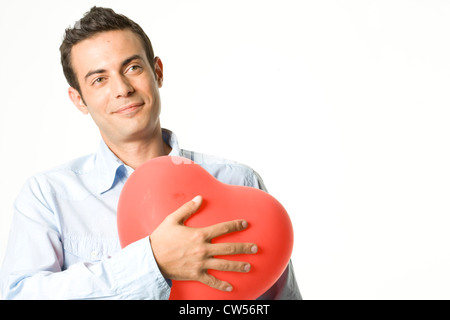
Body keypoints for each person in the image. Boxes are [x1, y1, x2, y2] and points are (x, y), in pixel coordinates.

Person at [0, 6, 301, 300]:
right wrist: (151, 262)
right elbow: (19, 295)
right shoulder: (48, 195)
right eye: (99, 79)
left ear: (157, 72)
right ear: (79, 99)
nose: (122, 88)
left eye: (132, 68)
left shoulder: (238, 180)